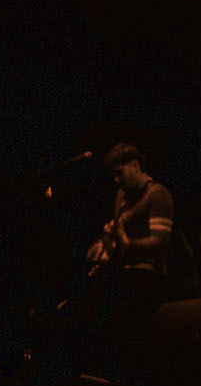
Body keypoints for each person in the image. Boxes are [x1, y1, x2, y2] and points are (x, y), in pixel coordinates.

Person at [69, 144, 175, 374]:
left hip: (145, 274)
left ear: (135, 166)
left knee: (125, 325)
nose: (116, 180)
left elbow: (160, 243)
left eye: (119, 173)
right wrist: (101, 244)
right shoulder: (122, 197)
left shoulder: (158, 195)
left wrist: (127, 245)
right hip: (120, 271)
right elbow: (114, 228)